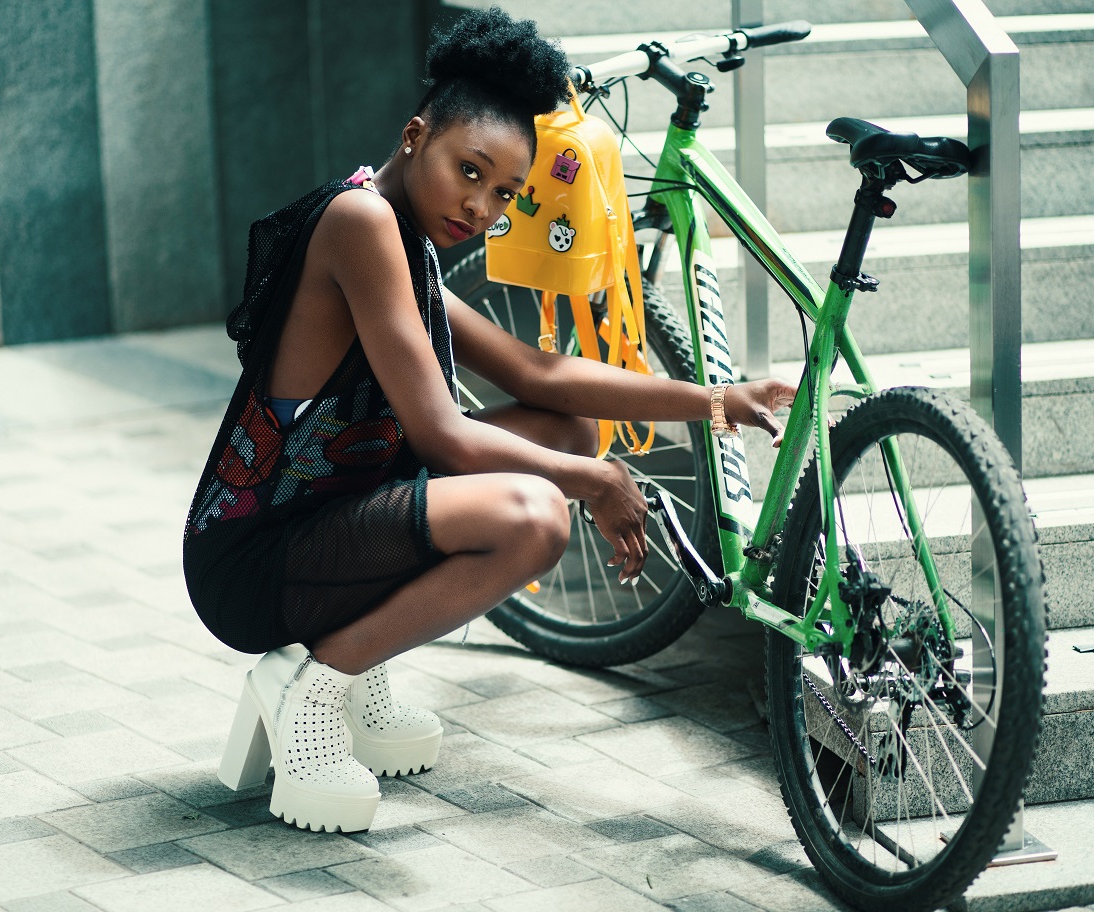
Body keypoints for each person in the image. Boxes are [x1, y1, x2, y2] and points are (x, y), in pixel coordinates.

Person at [183, 6, 799, 834]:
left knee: (564, 428)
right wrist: (591, 485)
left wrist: (721, 400)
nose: (482, 207)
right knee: (534, 513)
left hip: (333, 525)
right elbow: (441, 431)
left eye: (504, 192)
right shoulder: (360, 223)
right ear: (415, 137)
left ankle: (356, 668)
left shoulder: (406, 239)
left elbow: (538, 372)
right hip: (256, 558)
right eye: (469, 172)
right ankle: (318, 688)